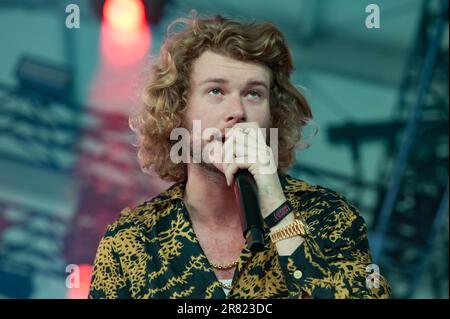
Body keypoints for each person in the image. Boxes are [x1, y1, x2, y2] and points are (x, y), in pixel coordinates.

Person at [89, 13, 390, 299]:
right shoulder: (133, 240)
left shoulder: (327, 215)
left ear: (273, 117)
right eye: (216, 91)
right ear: (178, 111)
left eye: (254, 93)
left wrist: (274, 203)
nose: (237, 112)